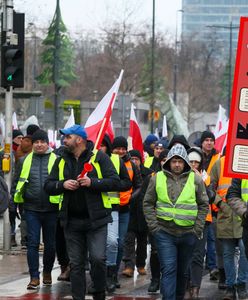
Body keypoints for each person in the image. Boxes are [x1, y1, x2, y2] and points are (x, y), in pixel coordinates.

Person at [44, 124, 120, 300]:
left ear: (79, 139)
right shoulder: (61, 159)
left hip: (97, 220)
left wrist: (92, 182)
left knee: (98, 259)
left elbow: (115, 182)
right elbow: (48, 185)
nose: (64, 140)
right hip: (71, 221)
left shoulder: (99, 157)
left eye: (67, 137)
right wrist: (62, 184)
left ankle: (99, 293)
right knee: (76, 264)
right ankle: (78, 297)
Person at [143, 144, 209, 300]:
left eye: (180, 161)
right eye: (174, 161)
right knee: (169, 269)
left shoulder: (196, 179)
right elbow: (147, 203)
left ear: (185, 162)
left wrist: (197, 229)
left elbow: (204, 204)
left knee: (182, 272)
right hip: (165, 233)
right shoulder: (157, 178)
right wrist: (155, 228)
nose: (177, 164)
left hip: (188, 234)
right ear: (168, 162)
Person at [13, 129, 59, 290]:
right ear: (33, 144)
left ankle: (47, 271)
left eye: (42, 142)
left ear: (47, 143)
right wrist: (15, 204)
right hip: (31, 208)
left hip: (52, 209)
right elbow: (16, 182)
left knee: (50, 244)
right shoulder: (24, 160)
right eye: (36, 142)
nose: (39, 145)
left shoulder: (57, 160)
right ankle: (34, 276)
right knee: (32, 243)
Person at [210, 152, 248, 300]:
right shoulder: (220, 163)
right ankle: (230, 287)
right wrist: (220, 204)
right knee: (227, 253)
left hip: (243, 218)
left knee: (244, 253)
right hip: (225, 216)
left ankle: (242, 284)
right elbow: (210, 188)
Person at [99, 134, 132, 292]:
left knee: (113, 242)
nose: (100, 148)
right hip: (91, 210)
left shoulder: (116, 160)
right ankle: (97, 276)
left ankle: (111, 274)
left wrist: (110, 184)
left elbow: (127, 182)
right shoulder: (86, 159)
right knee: (95, 246)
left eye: (103, 145)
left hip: (112, 208)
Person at [111, 136, 142, 281]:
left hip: (124, 209)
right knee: (110, 242)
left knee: (120, 242)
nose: (120, 151)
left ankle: (114, 274)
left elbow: (139, 185)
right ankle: (108, 273)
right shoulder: (107, 162)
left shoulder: (132, 165)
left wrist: (131, 198)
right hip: (109, 208)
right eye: (117, 148)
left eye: (123, 148)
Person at [122, 149, 154, 278]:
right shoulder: (125, 171)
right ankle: (129, 266)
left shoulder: (149, 174)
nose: (134, 162)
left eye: (137, 159)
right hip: (129, 211)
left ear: (141, 161)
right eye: (132, 159)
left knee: (142, 241)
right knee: (129, 240)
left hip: (144, 213)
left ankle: (140, 264)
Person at [200, 130, 221, 280]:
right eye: (206, 140)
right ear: (202, 142)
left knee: (212, 238)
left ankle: (213, 266)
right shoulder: (195, 157)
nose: (209, 142)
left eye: (211, 140)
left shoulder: (218, 157)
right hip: (198, 203)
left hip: (213, 205)